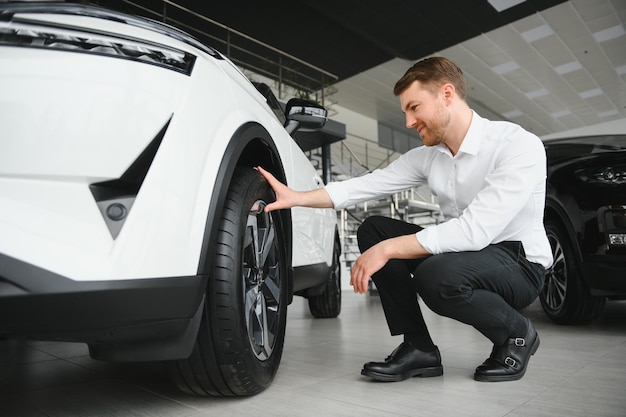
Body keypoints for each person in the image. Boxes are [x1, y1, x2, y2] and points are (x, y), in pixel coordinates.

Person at [257, 56, 553, 383]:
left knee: (436, 275)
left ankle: (517, 333)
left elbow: (476, 230)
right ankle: (419, 348)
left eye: (415, 107)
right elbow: (365, 185)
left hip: (519, 262)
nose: (409, 122)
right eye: (405, 113)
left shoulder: (518, 145)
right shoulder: (429, 157)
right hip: (471, 255)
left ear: (447, 94)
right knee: (375, 230)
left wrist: (388, 250)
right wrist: (297, 198)